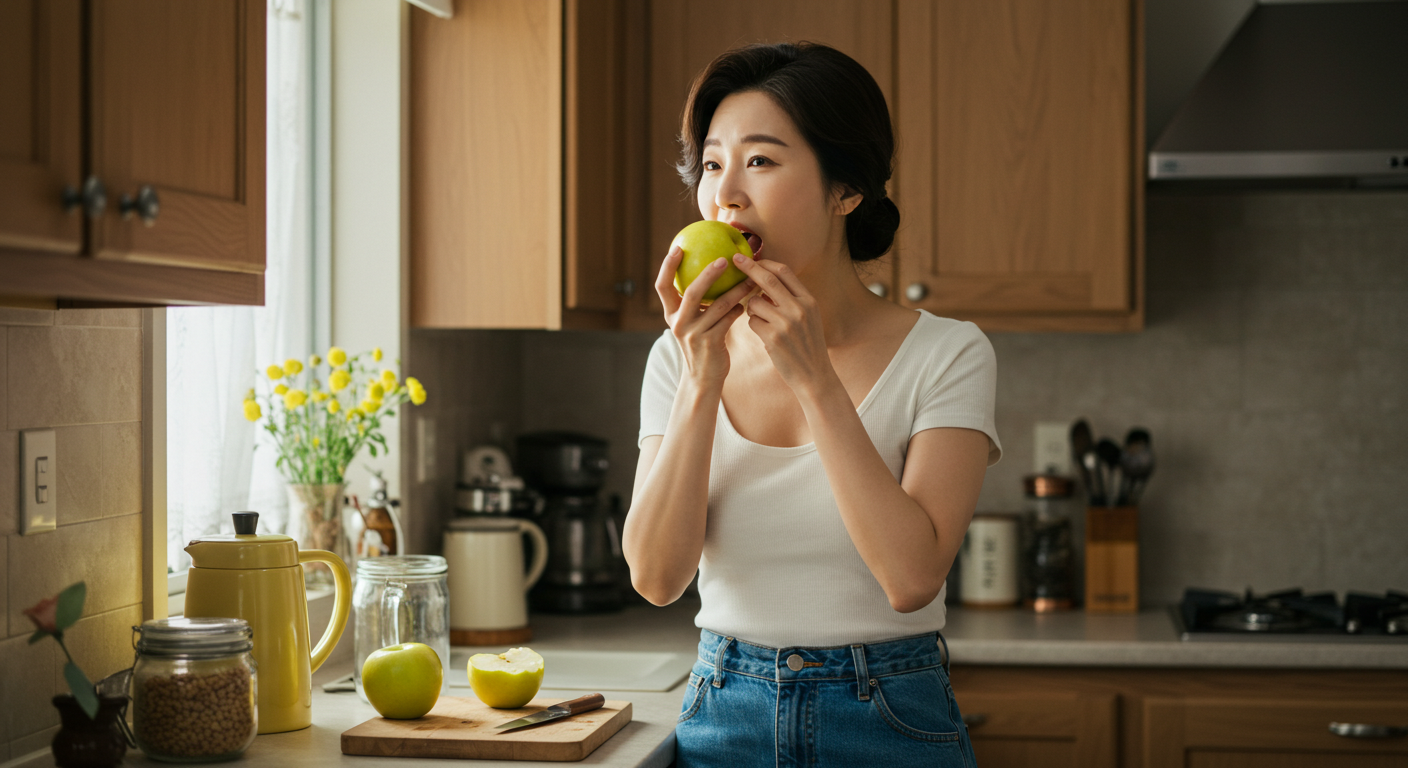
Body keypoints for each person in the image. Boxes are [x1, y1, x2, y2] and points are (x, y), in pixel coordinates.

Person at [623, 41, 1001, 768]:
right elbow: (657, 578)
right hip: (723, 712)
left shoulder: (948, 352)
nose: (726, 195)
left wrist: (816, 382)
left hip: (889, 717)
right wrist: (702, 379)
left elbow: (911, 579)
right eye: (712, 165)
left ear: (845, 189)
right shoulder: (679, 356)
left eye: (761, 160)